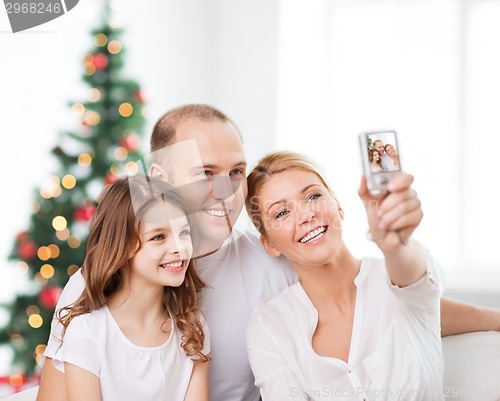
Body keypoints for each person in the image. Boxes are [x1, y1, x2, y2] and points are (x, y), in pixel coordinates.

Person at [38, 104, 500, 401]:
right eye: (206, 172)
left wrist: (492, 318)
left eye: (237, 171)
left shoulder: (273, 261)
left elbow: (391, 303)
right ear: (160, 176)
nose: (226, 190)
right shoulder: (103, 281)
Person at [245, 151, 444, 400]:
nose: (307, 216)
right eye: (281, 213)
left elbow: (414, 276)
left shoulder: (396, 279)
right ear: (270, 245)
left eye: (313, 196)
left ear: (338, 206)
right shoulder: (270, 323)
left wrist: (395, 244)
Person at [51, 177, 210, 401]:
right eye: (158, 237)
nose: (179, 247)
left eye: (183, 232)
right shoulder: (88, 332)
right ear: (121, 246)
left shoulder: (192, 328)